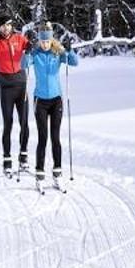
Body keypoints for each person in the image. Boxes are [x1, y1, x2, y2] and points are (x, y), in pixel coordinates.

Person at [27, 26, 79, 188]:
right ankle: (40, 175)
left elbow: (74, 62)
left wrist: (69, 51)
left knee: (55, 138)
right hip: (40, 101)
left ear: (51, 41)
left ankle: (57, 173)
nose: (45, 44)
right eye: (42, 41)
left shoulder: (57, 53)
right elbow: (23, 65)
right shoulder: (36, 54)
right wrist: (27, 52)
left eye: (47, 41)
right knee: (43, 138)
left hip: (56, 100)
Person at [0, 19, 31, 175]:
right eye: (3, 25)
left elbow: (30, 48)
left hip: (22, 86)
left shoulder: (19, 38)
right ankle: (7, 160)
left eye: (8, 25)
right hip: (6, 88)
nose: (6, 28)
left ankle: (23, 157)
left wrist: (31, 40)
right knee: (8, 124)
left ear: (11, 26)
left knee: (24, 122)